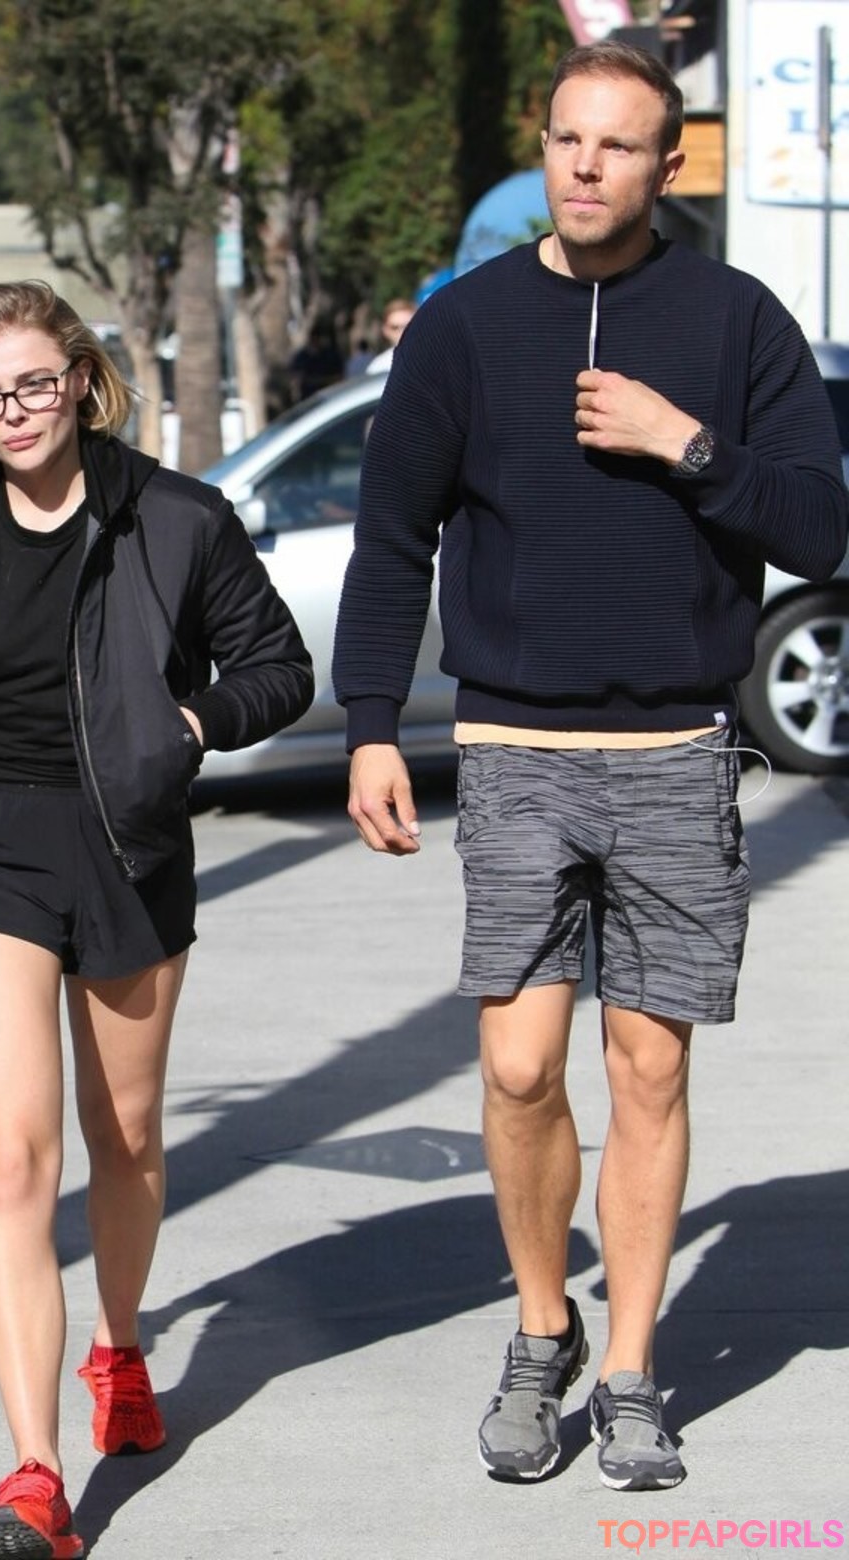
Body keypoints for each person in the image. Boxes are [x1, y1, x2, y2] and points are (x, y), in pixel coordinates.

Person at [332, 41, 847, 1494]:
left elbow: (818, 525)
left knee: (650, 1068)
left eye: (618, 145)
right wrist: (371, 722)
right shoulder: (465, 325)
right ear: (544, 142)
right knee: (515, 1066)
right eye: (567, 138)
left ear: (667, 165)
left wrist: (687, 445)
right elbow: (391, 537)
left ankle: (628, 1371)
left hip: (676, 750)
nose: (585, 165)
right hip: (514, 748)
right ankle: (541, 1327)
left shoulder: (738, 321)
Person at [0, 279, 313, 1557]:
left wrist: (191, 721)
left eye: (34, 384)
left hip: (128, 850)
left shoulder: (176, 518)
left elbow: (279, 668)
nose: (14, 413)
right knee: (13, 1159)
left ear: (83, 381)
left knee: (130, 1139)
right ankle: (35, 1475)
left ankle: (118, 1343)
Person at [366, 297, 417, 374]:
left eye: (409, 326)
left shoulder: (434, 357)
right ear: (385, 330)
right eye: (395, 327)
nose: (402, 332)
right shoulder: (378, 367)